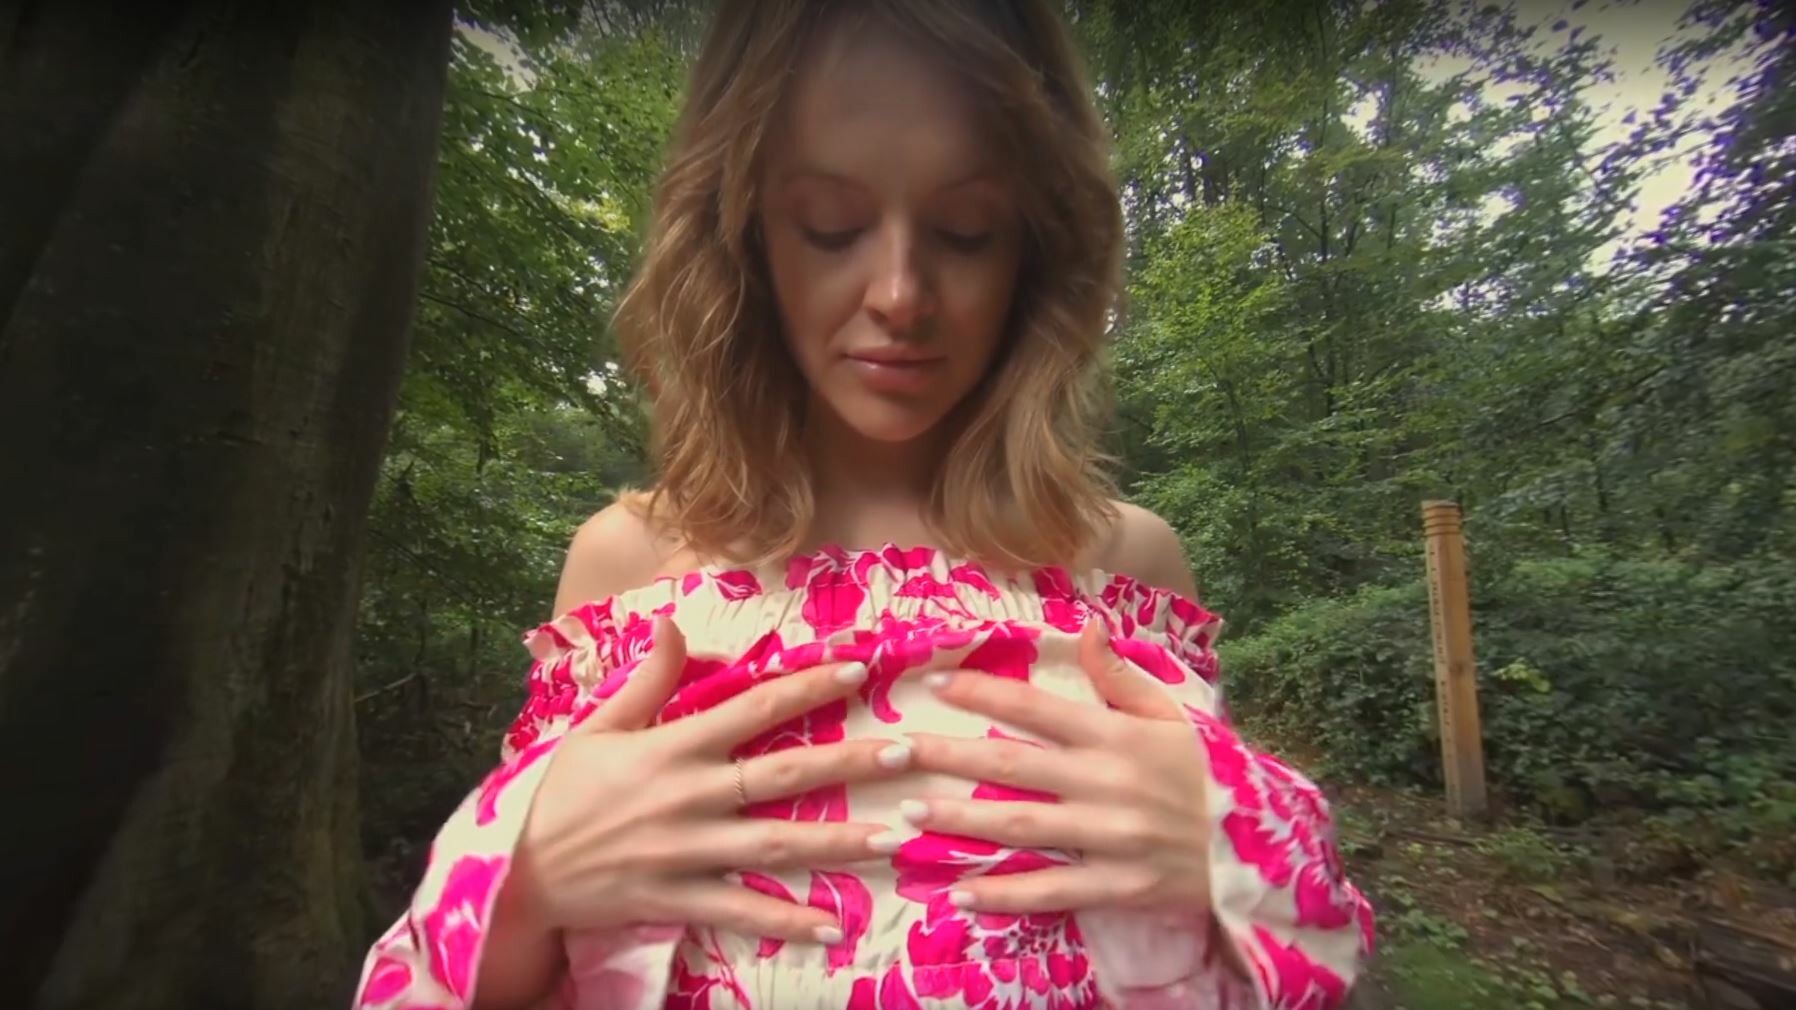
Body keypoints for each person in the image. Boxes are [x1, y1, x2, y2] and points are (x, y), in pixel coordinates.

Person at [354, 1, 1375, 1007]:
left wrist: (1236, 845)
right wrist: (528, 879)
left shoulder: (1126, 571)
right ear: (744, 233)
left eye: (966, 231)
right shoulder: (630, 567)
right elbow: (472, 982)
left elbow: (1268, 970)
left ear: (1035, 247)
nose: (898, 292)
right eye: (831, 225)